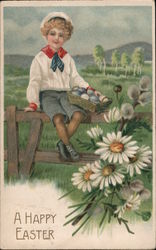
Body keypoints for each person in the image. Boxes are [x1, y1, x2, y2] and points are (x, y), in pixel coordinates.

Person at [24, 12, 102, 161]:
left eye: (61, 35)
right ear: (46, 35)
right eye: (52, 33)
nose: (56, 38)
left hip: (66, 94)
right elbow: (35, 81)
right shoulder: (39, 58)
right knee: (58, 118)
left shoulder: (67, 58)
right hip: (47, 95)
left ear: (66, 38)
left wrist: (88, 89)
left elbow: (75, 77)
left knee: (78, 114)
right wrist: (33, 102)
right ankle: (70, 147)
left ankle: (62, 142)